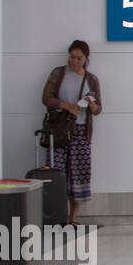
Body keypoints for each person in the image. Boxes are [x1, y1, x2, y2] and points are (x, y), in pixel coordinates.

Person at [41, 40, 102, 227]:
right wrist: (67, 106)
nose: (74, 62)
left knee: (79, 173)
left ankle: (73, 218)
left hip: (81, 131)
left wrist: (89, 104)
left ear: (86, 59)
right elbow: (46, 98)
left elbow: (98, 109)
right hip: (59, 130)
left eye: (79, 58)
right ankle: (54, 216)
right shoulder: (58, 73)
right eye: (72, 57)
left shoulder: (91, 79)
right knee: (55, 171)